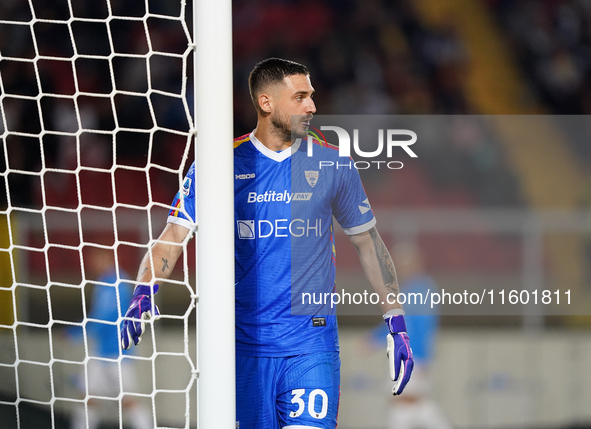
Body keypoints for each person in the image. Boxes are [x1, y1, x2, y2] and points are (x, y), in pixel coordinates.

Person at [120, 57, 414, 429]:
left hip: (311, 346)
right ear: (266, 102)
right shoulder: (220, 164)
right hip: (243, 350)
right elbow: (174, 235)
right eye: (301, 97)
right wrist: (144, 289)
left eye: (311, 97)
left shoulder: (332, 162)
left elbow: (368, 243)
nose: (312, 106)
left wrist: (396, 319)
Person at [369, 243, 452, 429]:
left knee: (405, 400)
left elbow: (412, 326)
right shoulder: (416, 289)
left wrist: (372, 340)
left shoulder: (418, 290)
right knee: (408, 401)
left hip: (412, 356)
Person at [70, 246, 153, 429]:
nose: (93, 264)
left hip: (117, 352)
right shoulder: (107, 281)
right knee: (88, 397)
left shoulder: (115, 283)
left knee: (127, 401)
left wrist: (74, 333)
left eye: (96, 259)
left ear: (107, 258)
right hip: (101, 352)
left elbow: (103, 316)